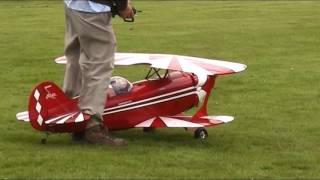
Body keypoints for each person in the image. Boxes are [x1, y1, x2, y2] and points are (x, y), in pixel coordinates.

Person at [63, 0, 134, 145]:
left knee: (74, 58)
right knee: (100, 63)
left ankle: (70, 114)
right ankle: (92, 125)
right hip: (93, 10)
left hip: (72, 5)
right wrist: (123, 7)